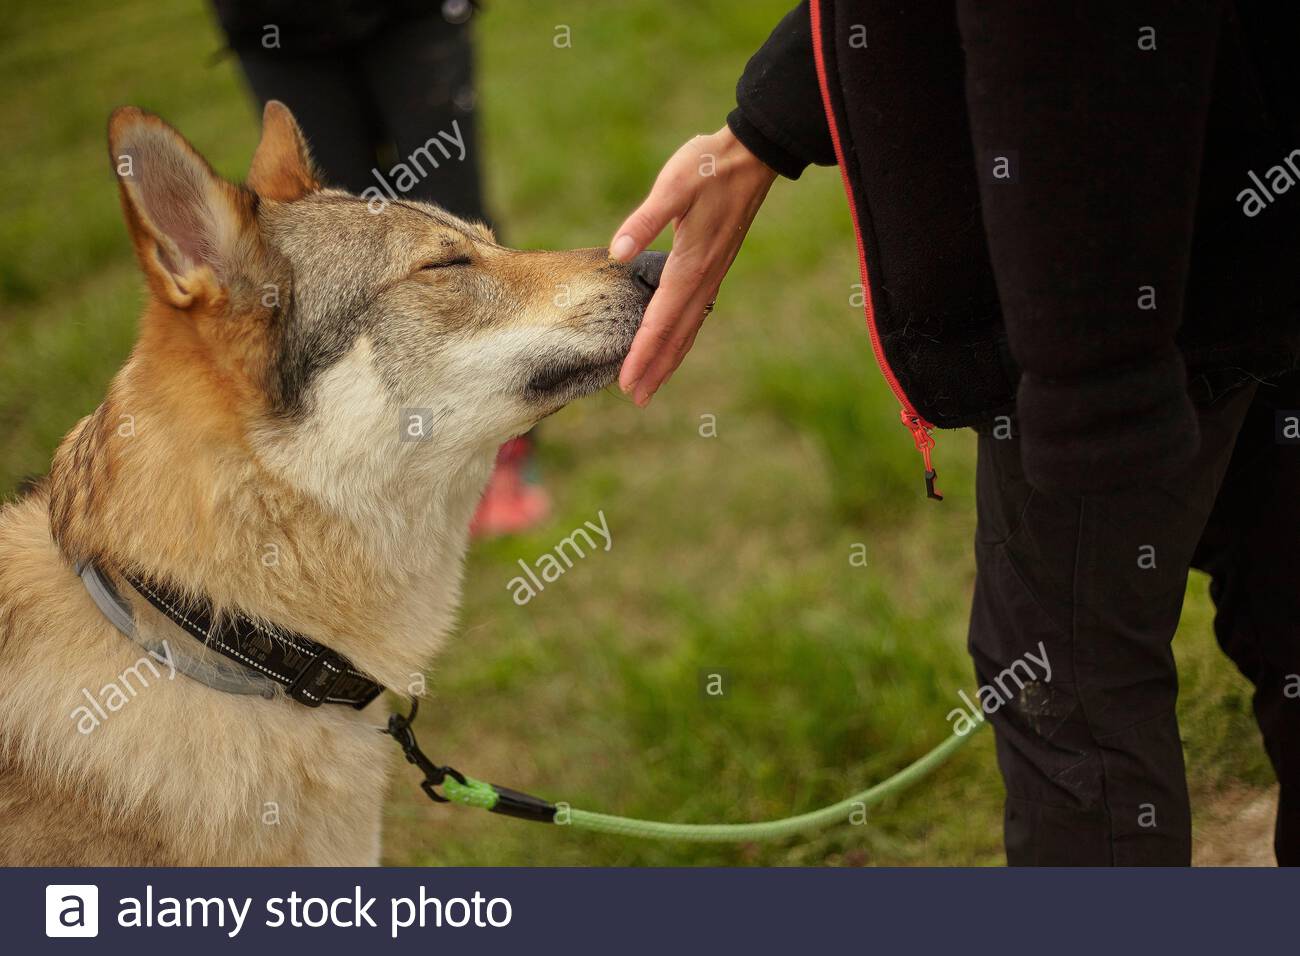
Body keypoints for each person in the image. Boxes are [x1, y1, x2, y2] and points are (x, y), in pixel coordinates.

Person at [610, 0, 1300, 865]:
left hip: (1122, 296)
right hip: (1238, 208)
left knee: (1072, 705)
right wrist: (768, 123)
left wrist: (1096, 389)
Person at [212, 0, 549, 536]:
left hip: (412, 14)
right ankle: (394, 456)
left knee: (455, 227)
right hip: (275, 21)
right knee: (342, 268)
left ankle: (504, 452)